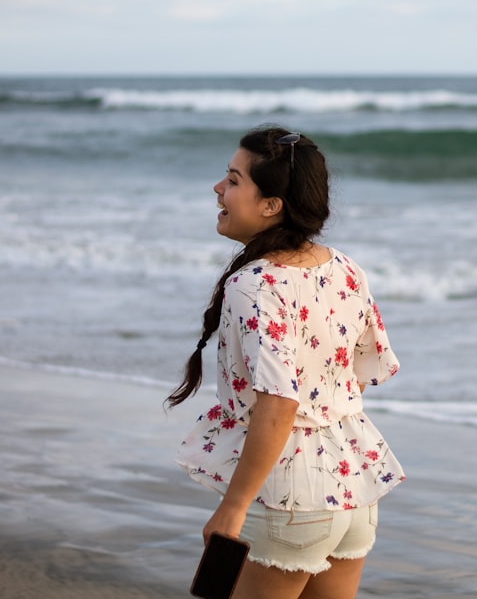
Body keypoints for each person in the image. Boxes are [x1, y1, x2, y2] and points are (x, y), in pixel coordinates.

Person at [169, 126, 404, 599]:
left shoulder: (255, 285)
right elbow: (361, 369)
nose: (219, 189)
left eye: (234, 181)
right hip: (351, 489)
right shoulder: (342, 267)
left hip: (288, 499)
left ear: (272, 205)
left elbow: (278, 405)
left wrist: (231, 511)